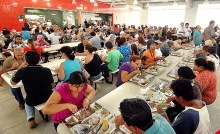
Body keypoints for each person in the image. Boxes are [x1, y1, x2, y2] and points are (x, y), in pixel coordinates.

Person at [10, 51, 55, 128]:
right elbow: (52, 85)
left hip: (33, 100)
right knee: (54, 91)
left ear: (26, 60)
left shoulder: (22, 71)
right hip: (48, 97)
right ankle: (53, 111)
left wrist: (19, 68)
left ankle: (31, 120)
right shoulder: (46, 70)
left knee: (27, 101)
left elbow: (13, 83)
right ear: (39, 59)